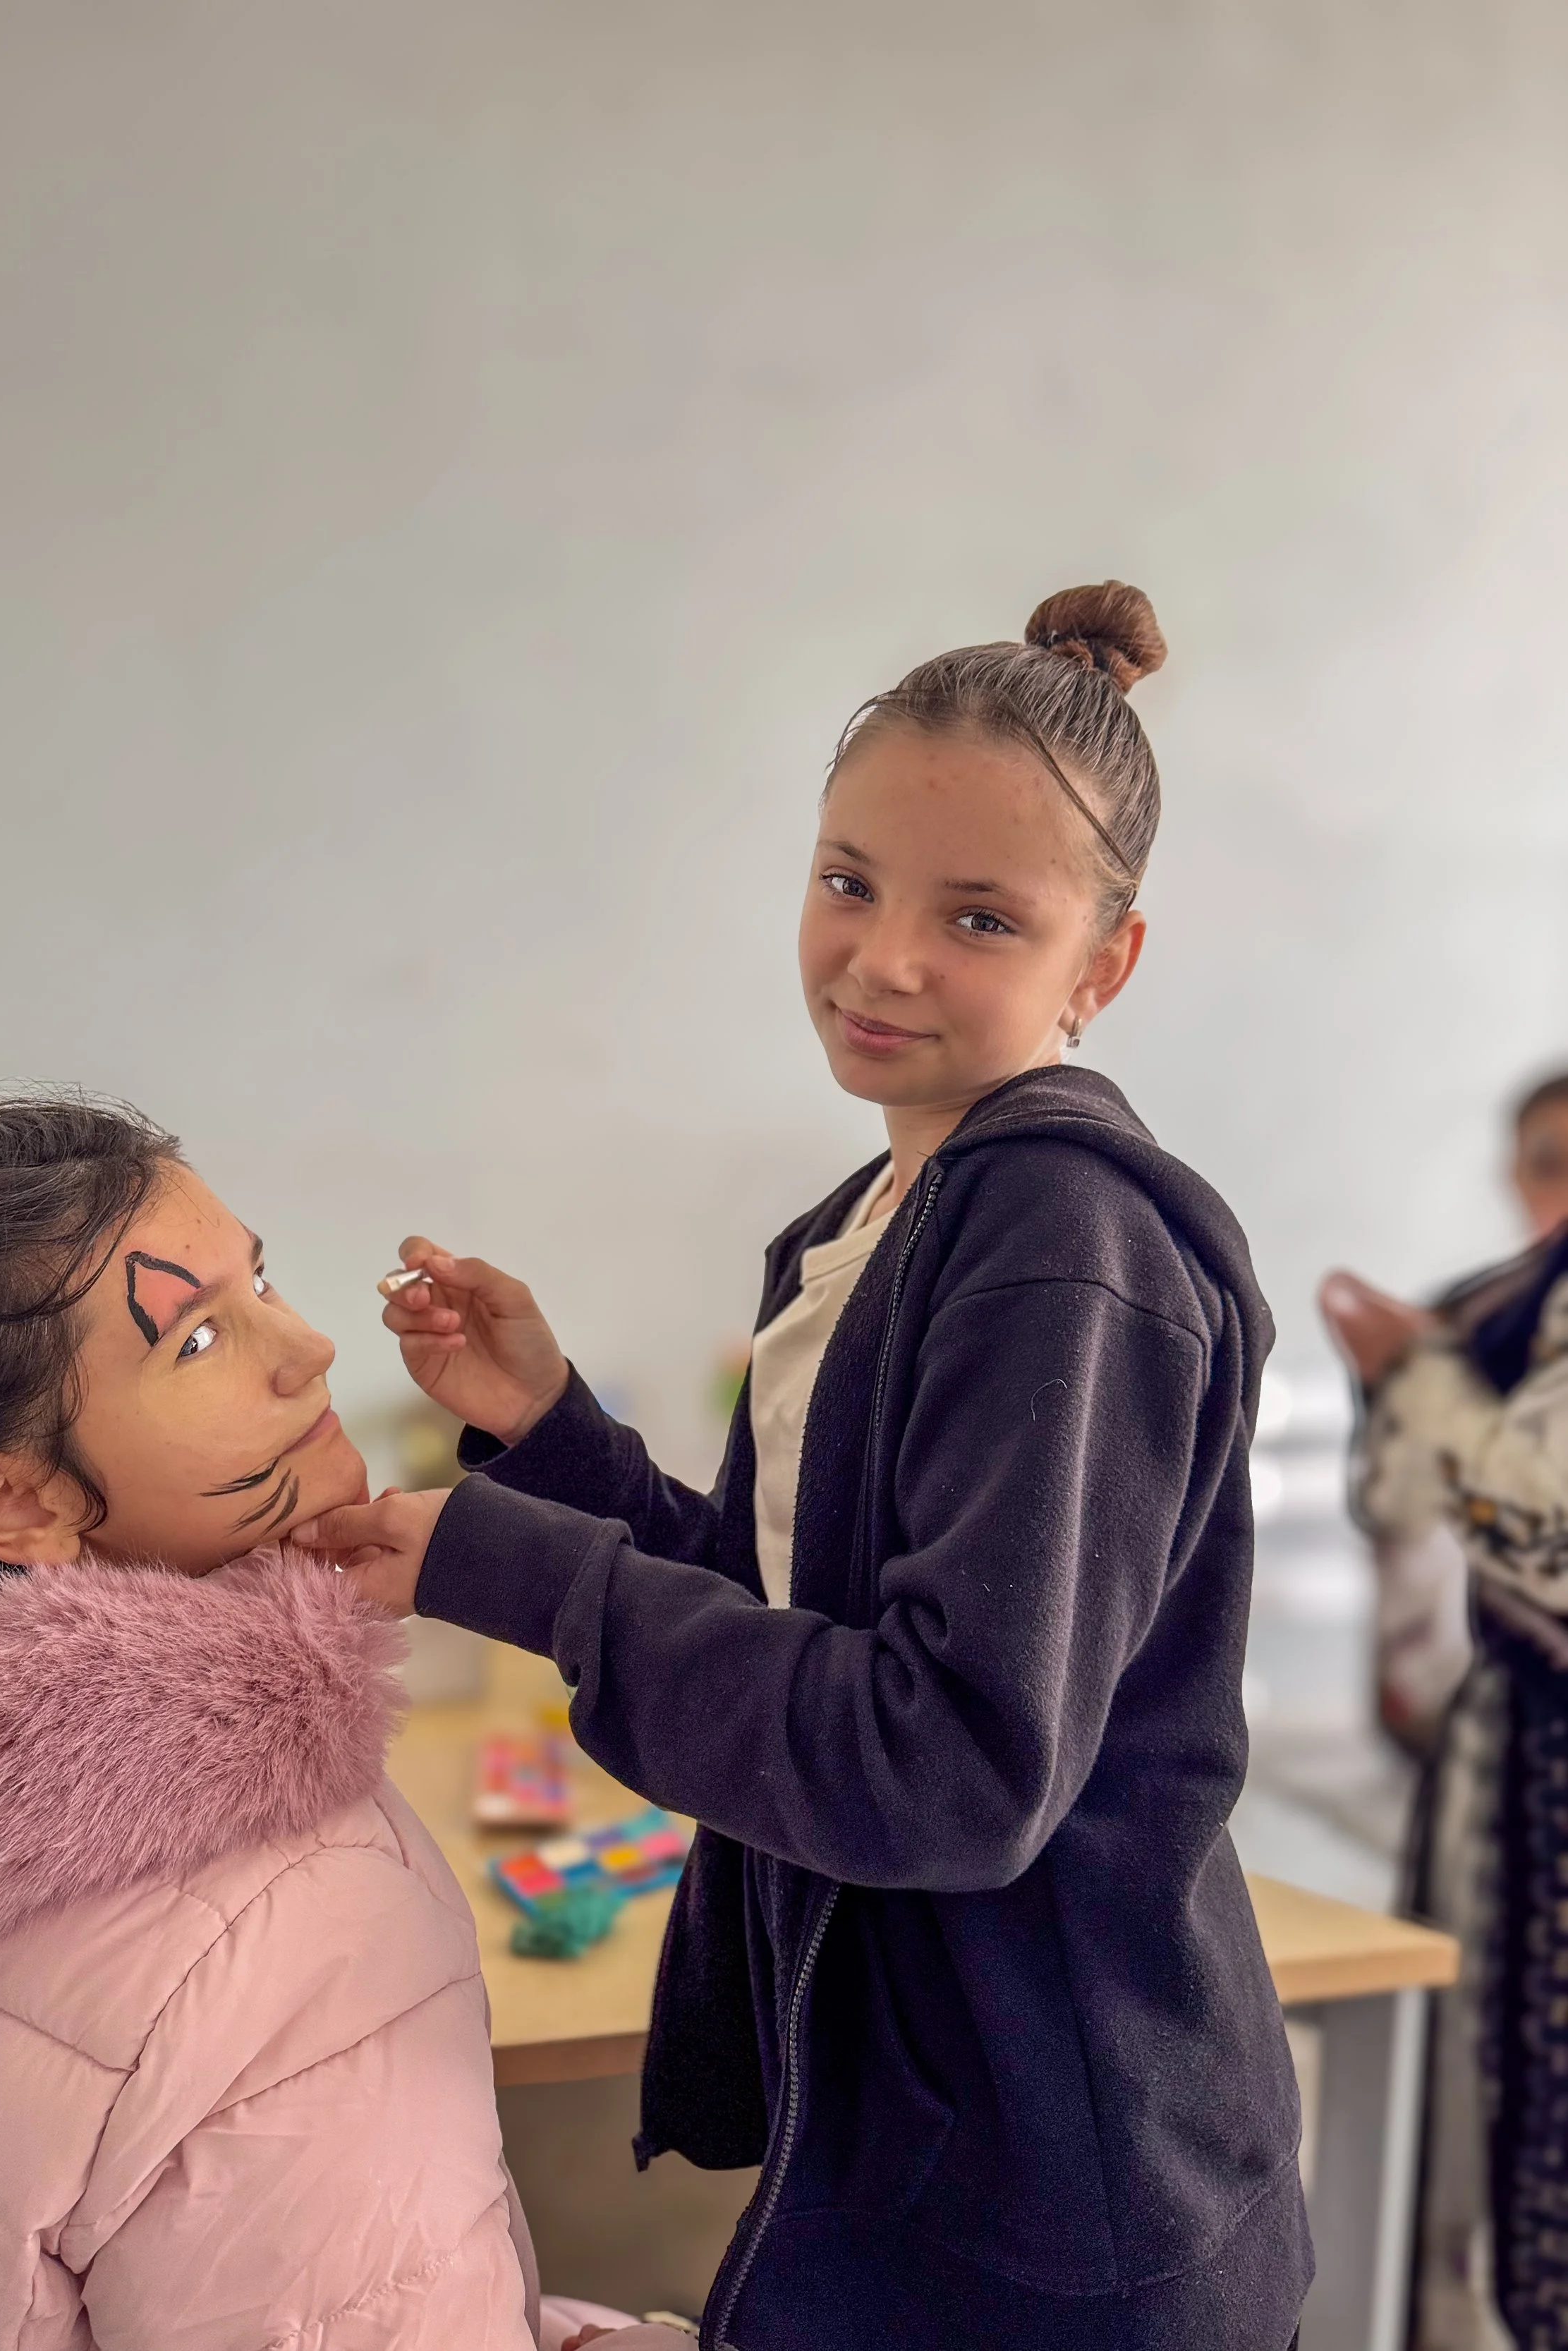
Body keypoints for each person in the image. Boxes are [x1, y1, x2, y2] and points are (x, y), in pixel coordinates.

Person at [296, 585, 1313, 2351]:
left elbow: (942, 1760)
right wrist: (555, 1442)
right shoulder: (878, 1219)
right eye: (847, 880)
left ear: (1103, 965)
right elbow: (805, 1619)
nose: (882, 958)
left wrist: (513, 1568)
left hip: (1065, 2203)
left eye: (977, 917)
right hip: (938, 2145)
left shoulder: (1060, 1240)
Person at [0, 1095, 667, 2351]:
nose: (310, 1347)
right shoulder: (292, 1920)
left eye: (260, 1279)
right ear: (15, 1501)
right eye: (198, 1342)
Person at [1320, 1067, 1568, 2351]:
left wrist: (1418, 1379)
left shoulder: (1465, 1338)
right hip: (1511, 1770)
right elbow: (1404, 1520)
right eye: (1547, 1161)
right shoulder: (1495, 1316)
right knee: (1471, 2119)